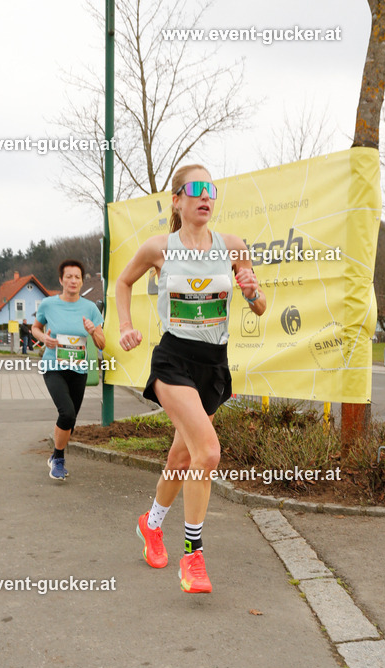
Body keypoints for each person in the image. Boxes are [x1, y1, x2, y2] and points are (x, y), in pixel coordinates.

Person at [116, 163, 266, 594]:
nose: (206, 196)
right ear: (177, 200)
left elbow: (259, 307)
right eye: (196, 189)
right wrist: (126, 325)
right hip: (173, 362)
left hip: (213, 367)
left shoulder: (233, 246)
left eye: (212, 190)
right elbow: (124, 283)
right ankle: (194, 555)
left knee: (182, 460)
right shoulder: (159, 247)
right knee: (209, 452)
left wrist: (253, 292)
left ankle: (151, 523)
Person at [32, 260, 105, 481]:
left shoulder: (90, 308)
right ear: (61, 280)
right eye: (69, 277)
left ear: (82, 281)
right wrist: (44, 337)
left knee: (71, 420)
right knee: (67, 412)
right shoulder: (48, 304)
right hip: (54, 366)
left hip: (79, 369)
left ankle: (55, 456)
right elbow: (35, 328)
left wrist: (93, 331)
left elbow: (102, 344)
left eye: (77, 277)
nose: (73, 281)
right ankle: (59, 460)